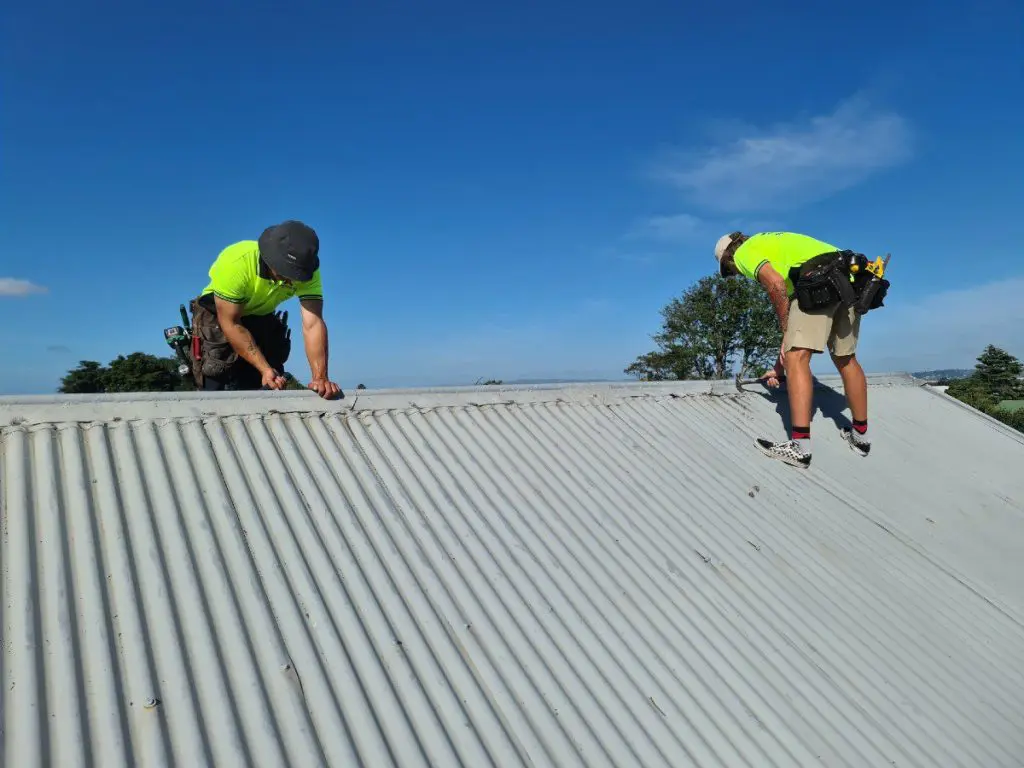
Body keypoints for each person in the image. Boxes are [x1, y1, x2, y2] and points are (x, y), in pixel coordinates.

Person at [714, 230, 871, 469]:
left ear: (729, 258)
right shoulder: (776, 246)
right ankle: (860, 437)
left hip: (818, 282)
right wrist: (778, 367)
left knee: (797, 358)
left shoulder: (744, 253)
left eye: (730, 270)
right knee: (845, 359)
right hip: (848, 281)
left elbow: (775, 285)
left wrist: (786, 337)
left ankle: (800, 448)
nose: (736, 274)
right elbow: (791, 320)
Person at [189, 220, 342, 399]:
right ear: (271, 260)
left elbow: (313, 323)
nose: (291, 282)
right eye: (287, 273)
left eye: (297, 276)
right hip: (219, 314)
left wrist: (320, 377)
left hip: (260, 314)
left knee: (270, 381)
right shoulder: (237, 262)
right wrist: (263, 367)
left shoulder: (309, 271)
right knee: (216, 374)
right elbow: (230, 322)